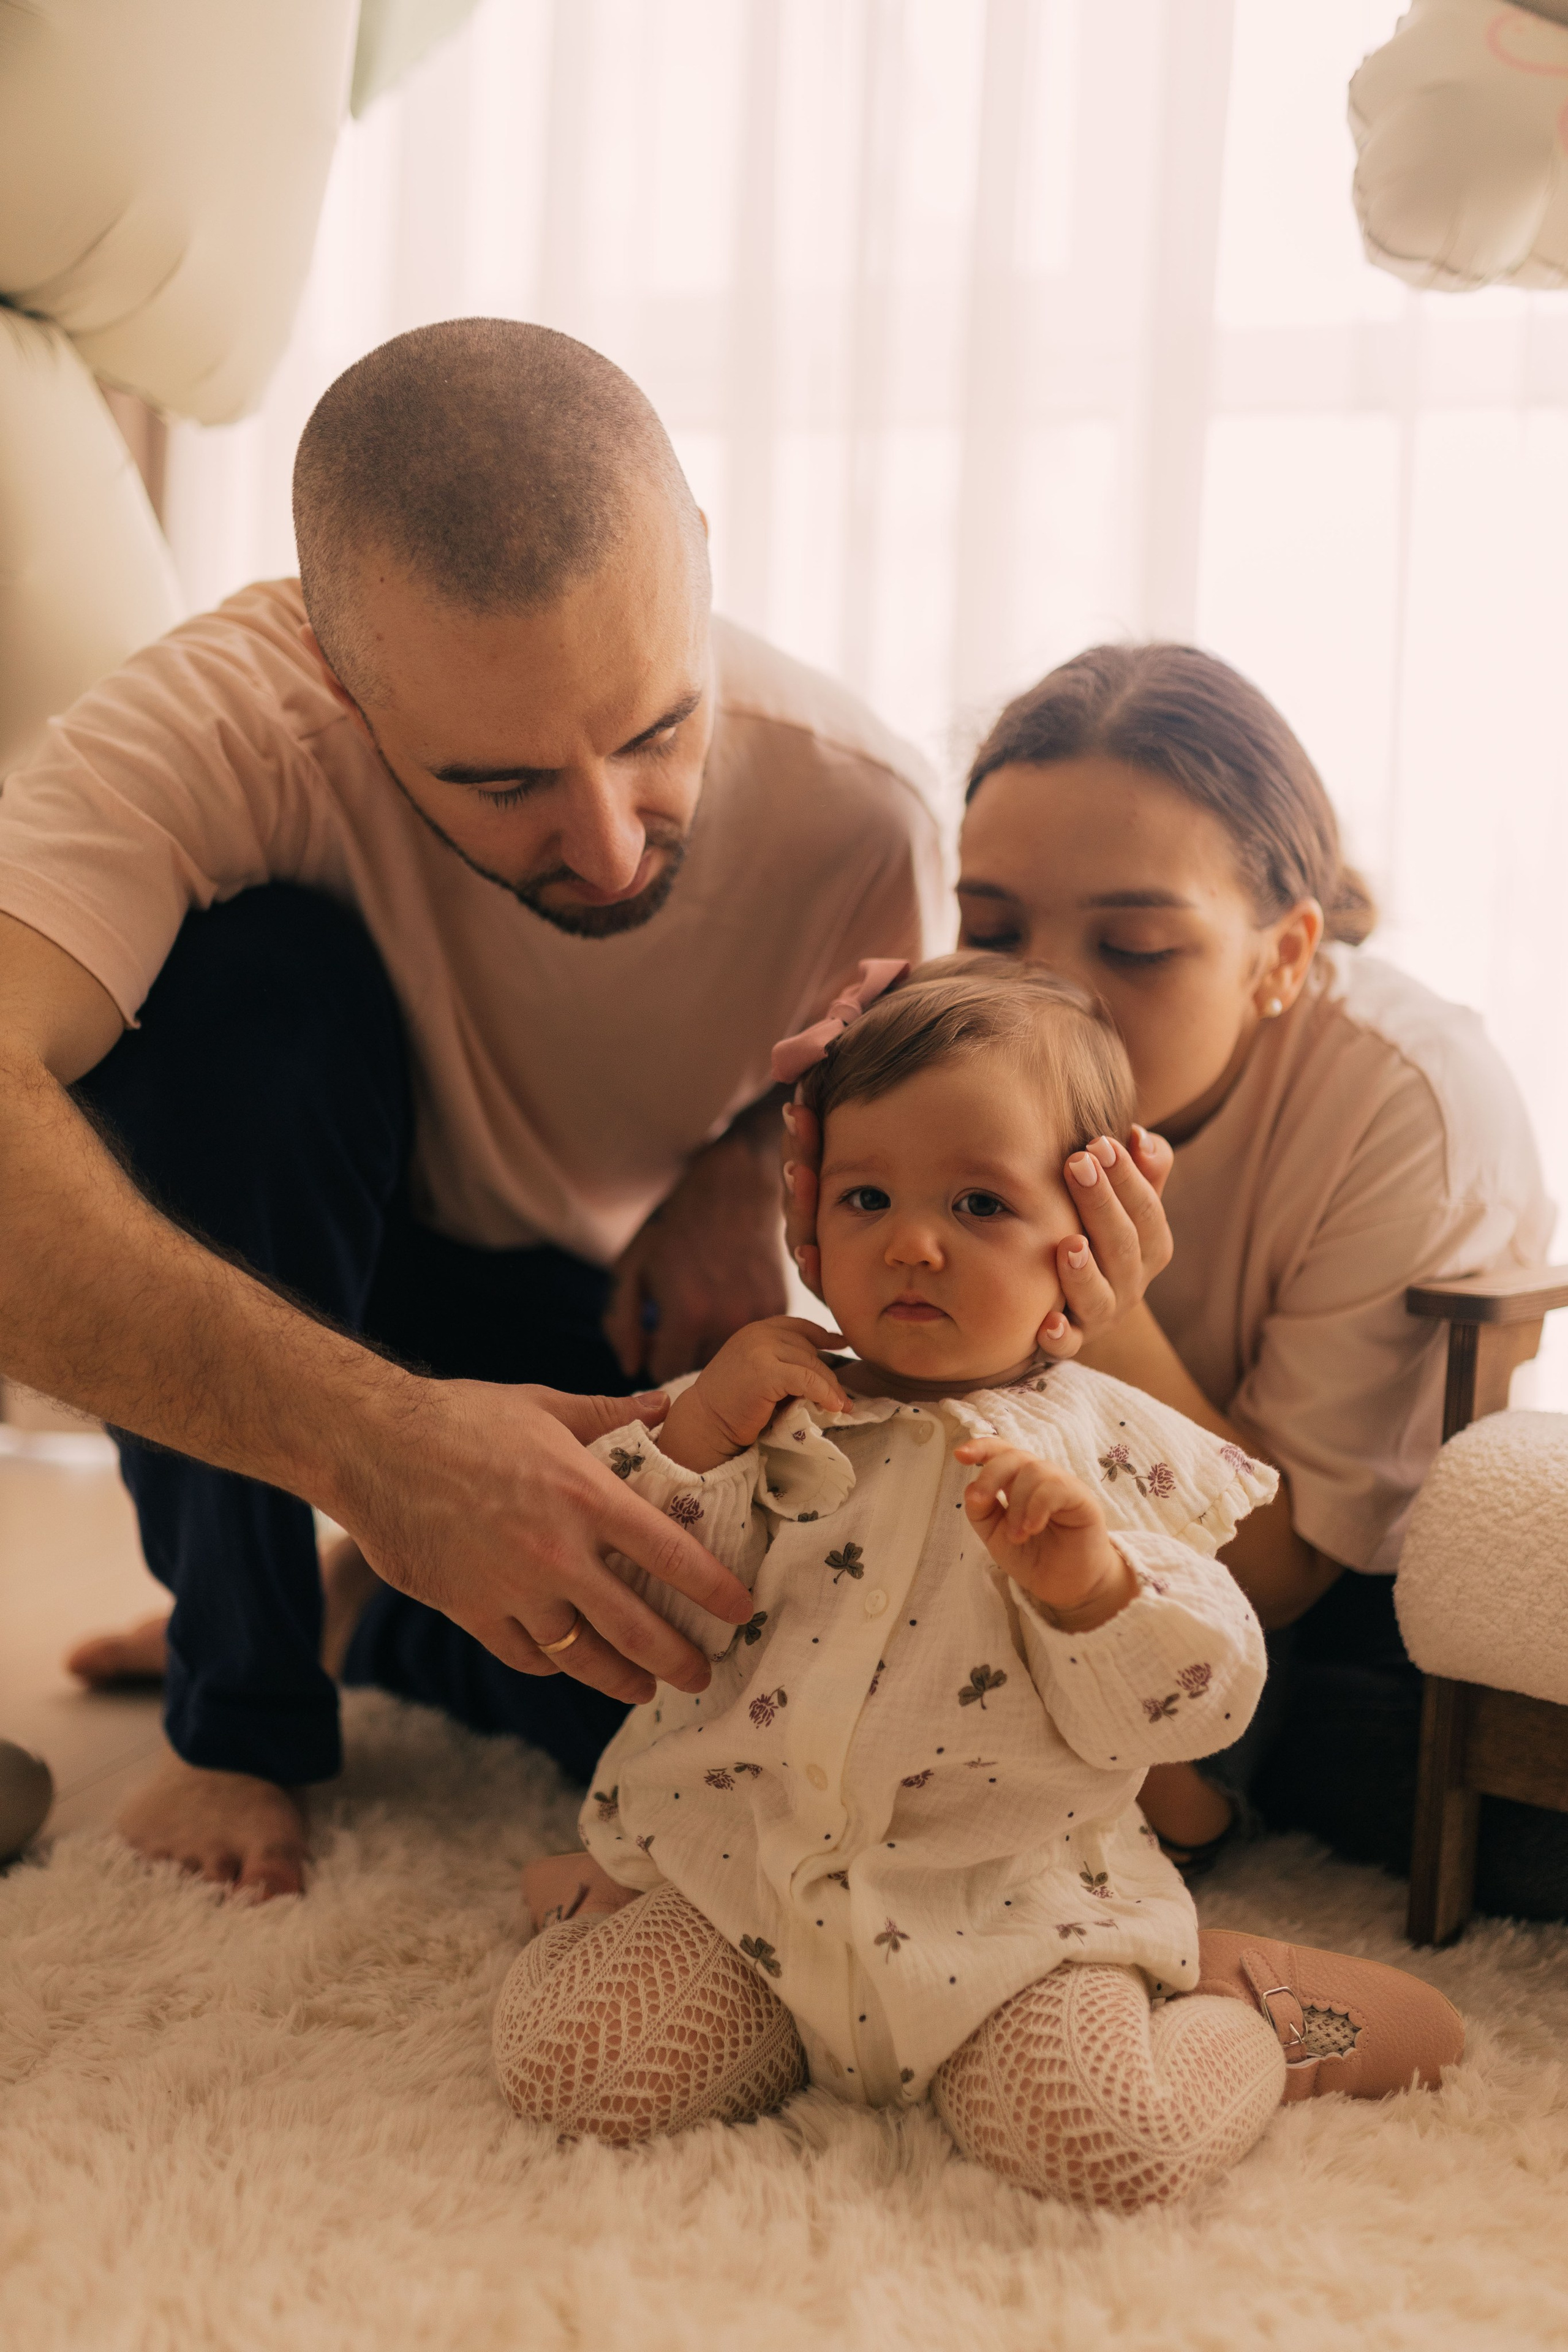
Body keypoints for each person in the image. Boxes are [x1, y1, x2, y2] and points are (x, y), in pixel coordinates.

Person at [0, 317, 962, 1897]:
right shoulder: (212, 723)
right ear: (332, 667)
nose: (605, 847)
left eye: (655, 731)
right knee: (248, 999)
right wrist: (382, 1454)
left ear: (703, 566)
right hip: (289, 1240)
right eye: (500, 784)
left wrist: (743, 1157)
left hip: (565, 1310)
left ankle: (359, 1606)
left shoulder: (863, 810)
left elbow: (928, 1172)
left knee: (718, 1708)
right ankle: (236, 1705)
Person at [492, 957, 1463, 2211]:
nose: (909, 1241)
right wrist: (689, 1450)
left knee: (1116, 2147)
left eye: (976, 1204)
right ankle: (618, 1888)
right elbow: (623, 1605)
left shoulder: (1111, 1447)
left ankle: (1243, 2006)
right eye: (866, 1196)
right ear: (807, 1220)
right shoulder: (750, 1405)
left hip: (1007, 1924)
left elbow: (1205, 1698)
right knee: (568, 2068)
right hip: (748, 1885)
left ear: (1085, 1235)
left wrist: (1092, 1591)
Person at [785, 643, 1560, 1915]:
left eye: (1135, 945)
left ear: (1280, 957)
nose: (1042, 984)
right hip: (1008, 1508)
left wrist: (1102, 1314)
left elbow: (1275, 1578)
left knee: (1432, 1798)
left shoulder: (1404, 1105)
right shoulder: (961, 1047)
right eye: (988, 927)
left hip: (1287, 1575)